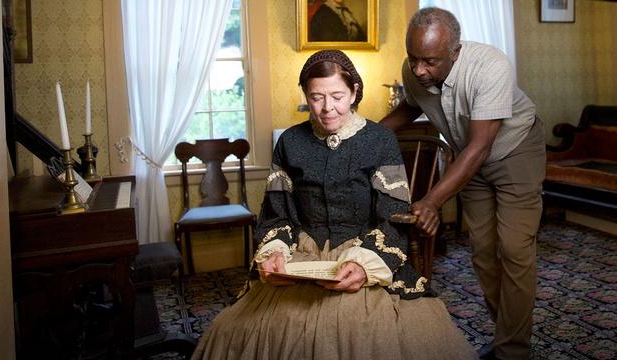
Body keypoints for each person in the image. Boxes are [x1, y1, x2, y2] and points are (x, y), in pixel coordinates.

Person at [191, 49, 477, 360]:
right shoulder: (290, 142)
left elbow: (393, 217)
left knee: (362, 326)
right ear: (306, 95)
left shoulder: (380, 140)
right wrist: (274, 253)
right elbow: (277, 214)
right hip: (302, 259)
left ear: (355, 91)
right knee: (242, 327)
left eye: (337, 96)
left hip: (365, 255)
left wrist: (363, 265)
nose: (327, 108)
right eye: (316, 97)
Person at [380, 7, 546, 360]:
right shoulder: (415, 71)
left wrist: (431, 201)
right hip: (470, 159)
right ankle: (508, 336)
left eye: (430, 61)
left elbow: (481, 145)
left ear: (455, 51)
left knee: (514, 249)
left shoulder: (490, 66)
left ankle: (512, 351)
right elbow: (411, 107)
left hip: (515, 152)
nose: (419, 70)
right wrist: (367, 136)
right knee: (484, 254)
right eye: (413, 59)